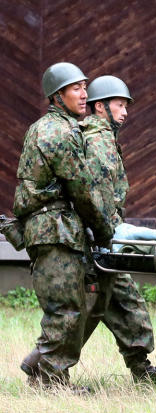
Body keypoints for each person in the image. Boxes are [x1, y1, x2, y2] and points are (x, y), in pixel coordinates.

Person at [19, 75, 156, 384]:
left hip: (82, 232)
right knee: (75, 308)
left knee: (113, 302)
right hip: (75, 235)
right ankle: (46, 374)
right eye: (119, 105)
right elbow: (88, 189)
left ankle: (139, 368)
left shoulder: (77, 131)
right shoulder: (87, 136)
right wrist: (104, 232)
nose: (125, 112)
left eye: (85, 88)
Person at [13, 63, 115, 390]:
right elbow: (81, 189)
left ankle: (43, 373)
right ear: (58, 95)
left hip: (49, 227)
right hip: (54, 229)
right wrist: (103, 229)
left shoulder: (44, 127)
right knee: (66, 309)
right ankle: (51, 381)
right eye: (76, 88)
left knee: (68, 306)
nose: (84, 94)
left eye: (85, 87)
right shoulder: (60, 132)